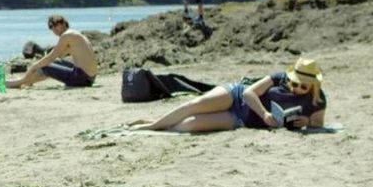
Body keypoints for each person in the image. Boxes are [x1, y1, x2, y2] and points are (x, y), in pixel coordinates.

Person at [128, 58, 327, 133]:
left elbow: (318, 124)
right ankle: (152, 125)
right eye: (294, 83)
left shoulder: (318, 101)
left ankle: (161, 126)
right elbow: (249, 93)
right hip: (236, 95)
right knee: (195, 104)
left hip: (243, 119)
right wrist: (265, 114)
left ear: (312, 86)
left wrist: (305, 123)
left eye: (302, 86)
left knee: (191, 125)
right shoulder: (279, 77)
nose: (295, 88)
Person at [6, 14, 99, 89]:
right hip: (90, 78)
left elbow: (50, 58)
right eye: (51, 27)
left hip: (81, 78)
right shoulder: (75, 34)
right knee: (53, 63)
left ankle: (20, 82)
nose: (54, 29)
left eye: (55, 25)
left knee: (46, 65)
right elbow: (60, 56)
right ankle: (27, 81)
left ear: (62, 24)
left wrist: (33, 67)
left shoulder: (66, 36)